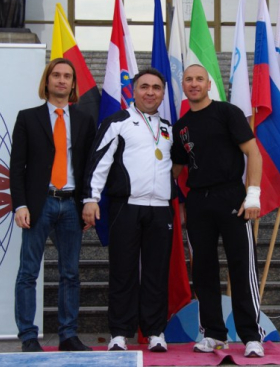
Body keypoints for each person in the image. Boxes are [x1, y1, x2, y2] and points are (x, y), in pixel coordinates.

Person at [171, 64, 266, 358]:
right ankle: (213, 334)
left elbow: (253, 152)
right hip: (198, 202)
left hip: (231, 197)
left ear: (208, 83)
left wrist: (253, 194)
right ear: (183, 86)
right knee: (203, 270)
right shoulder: (181, 126)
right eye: (189, 79)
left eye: (199, 79)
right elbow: (175, 169)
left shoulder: (228, 112)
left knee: (242, 266)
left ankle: (252, 336)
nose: (194, 84)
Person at [82, 67, 174, 352]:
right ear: (133, 91)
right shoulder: (118, 121)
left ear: (163, 93)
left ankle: (155, 332)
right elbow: (99, 161)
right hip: (126, 207)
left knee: (156, 273)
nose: (150, 92)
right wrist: (91, 198)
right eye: (144, 87)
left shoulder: (168, 128)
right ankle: (120, 333)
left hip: (160, 209)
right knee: (123, 271)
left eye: (156, 88)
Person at [10, 58, 96, 352]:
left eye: (67, 76)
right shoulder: (27, 118)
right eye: (56, 75)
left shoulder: (84, 120)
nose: (61, 80)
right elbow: (17, 166)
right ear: (46, 82)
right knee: (28, 273)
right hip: (38, 204)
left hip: (70, 205)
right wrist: (20, 205)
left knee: (70, 273)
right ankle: (28, 337)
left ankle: (68, 335)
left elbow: (89, 167)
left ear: (73, 84)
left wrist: (88, 201)